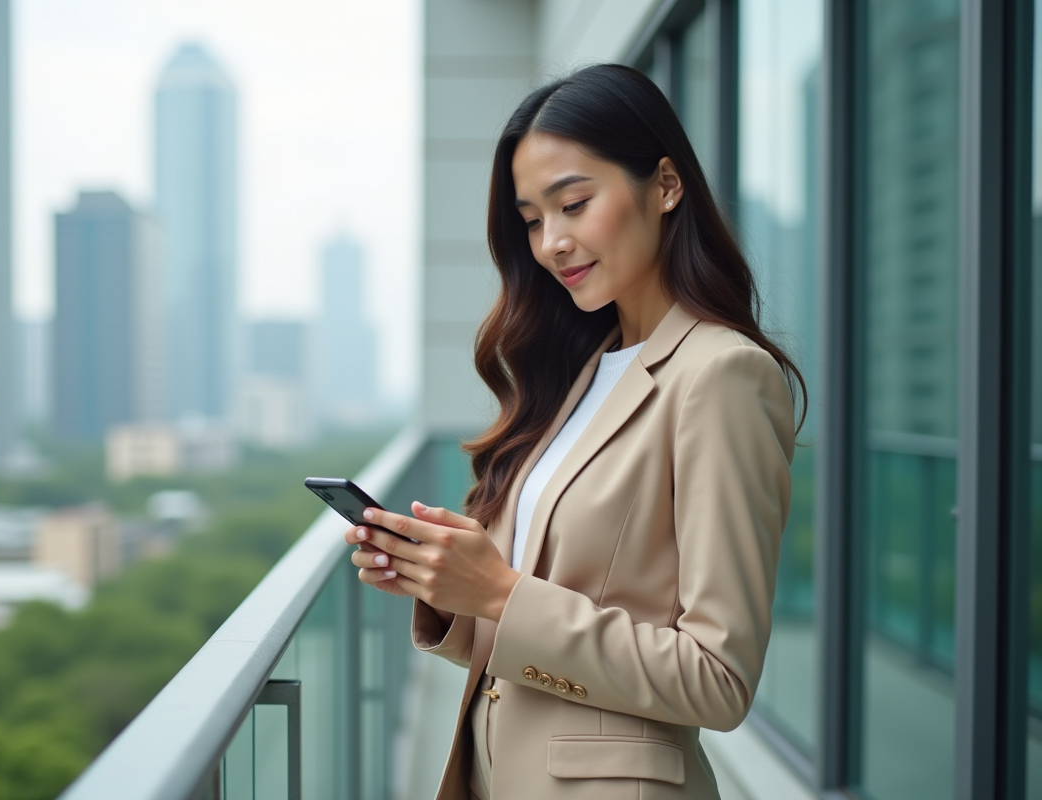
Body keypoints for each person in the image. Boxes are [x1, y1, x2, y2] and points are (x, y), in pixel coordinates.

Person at [343, 63, 805, 800]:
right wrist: (448, 591)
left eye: (574, 204)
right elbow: (541, 628)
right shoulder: (584, 374)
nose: (552, 242)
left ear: (665, 186)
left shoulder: (721, 376)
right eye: (531, 220)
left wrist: (500, 593)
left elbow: (718, 681)